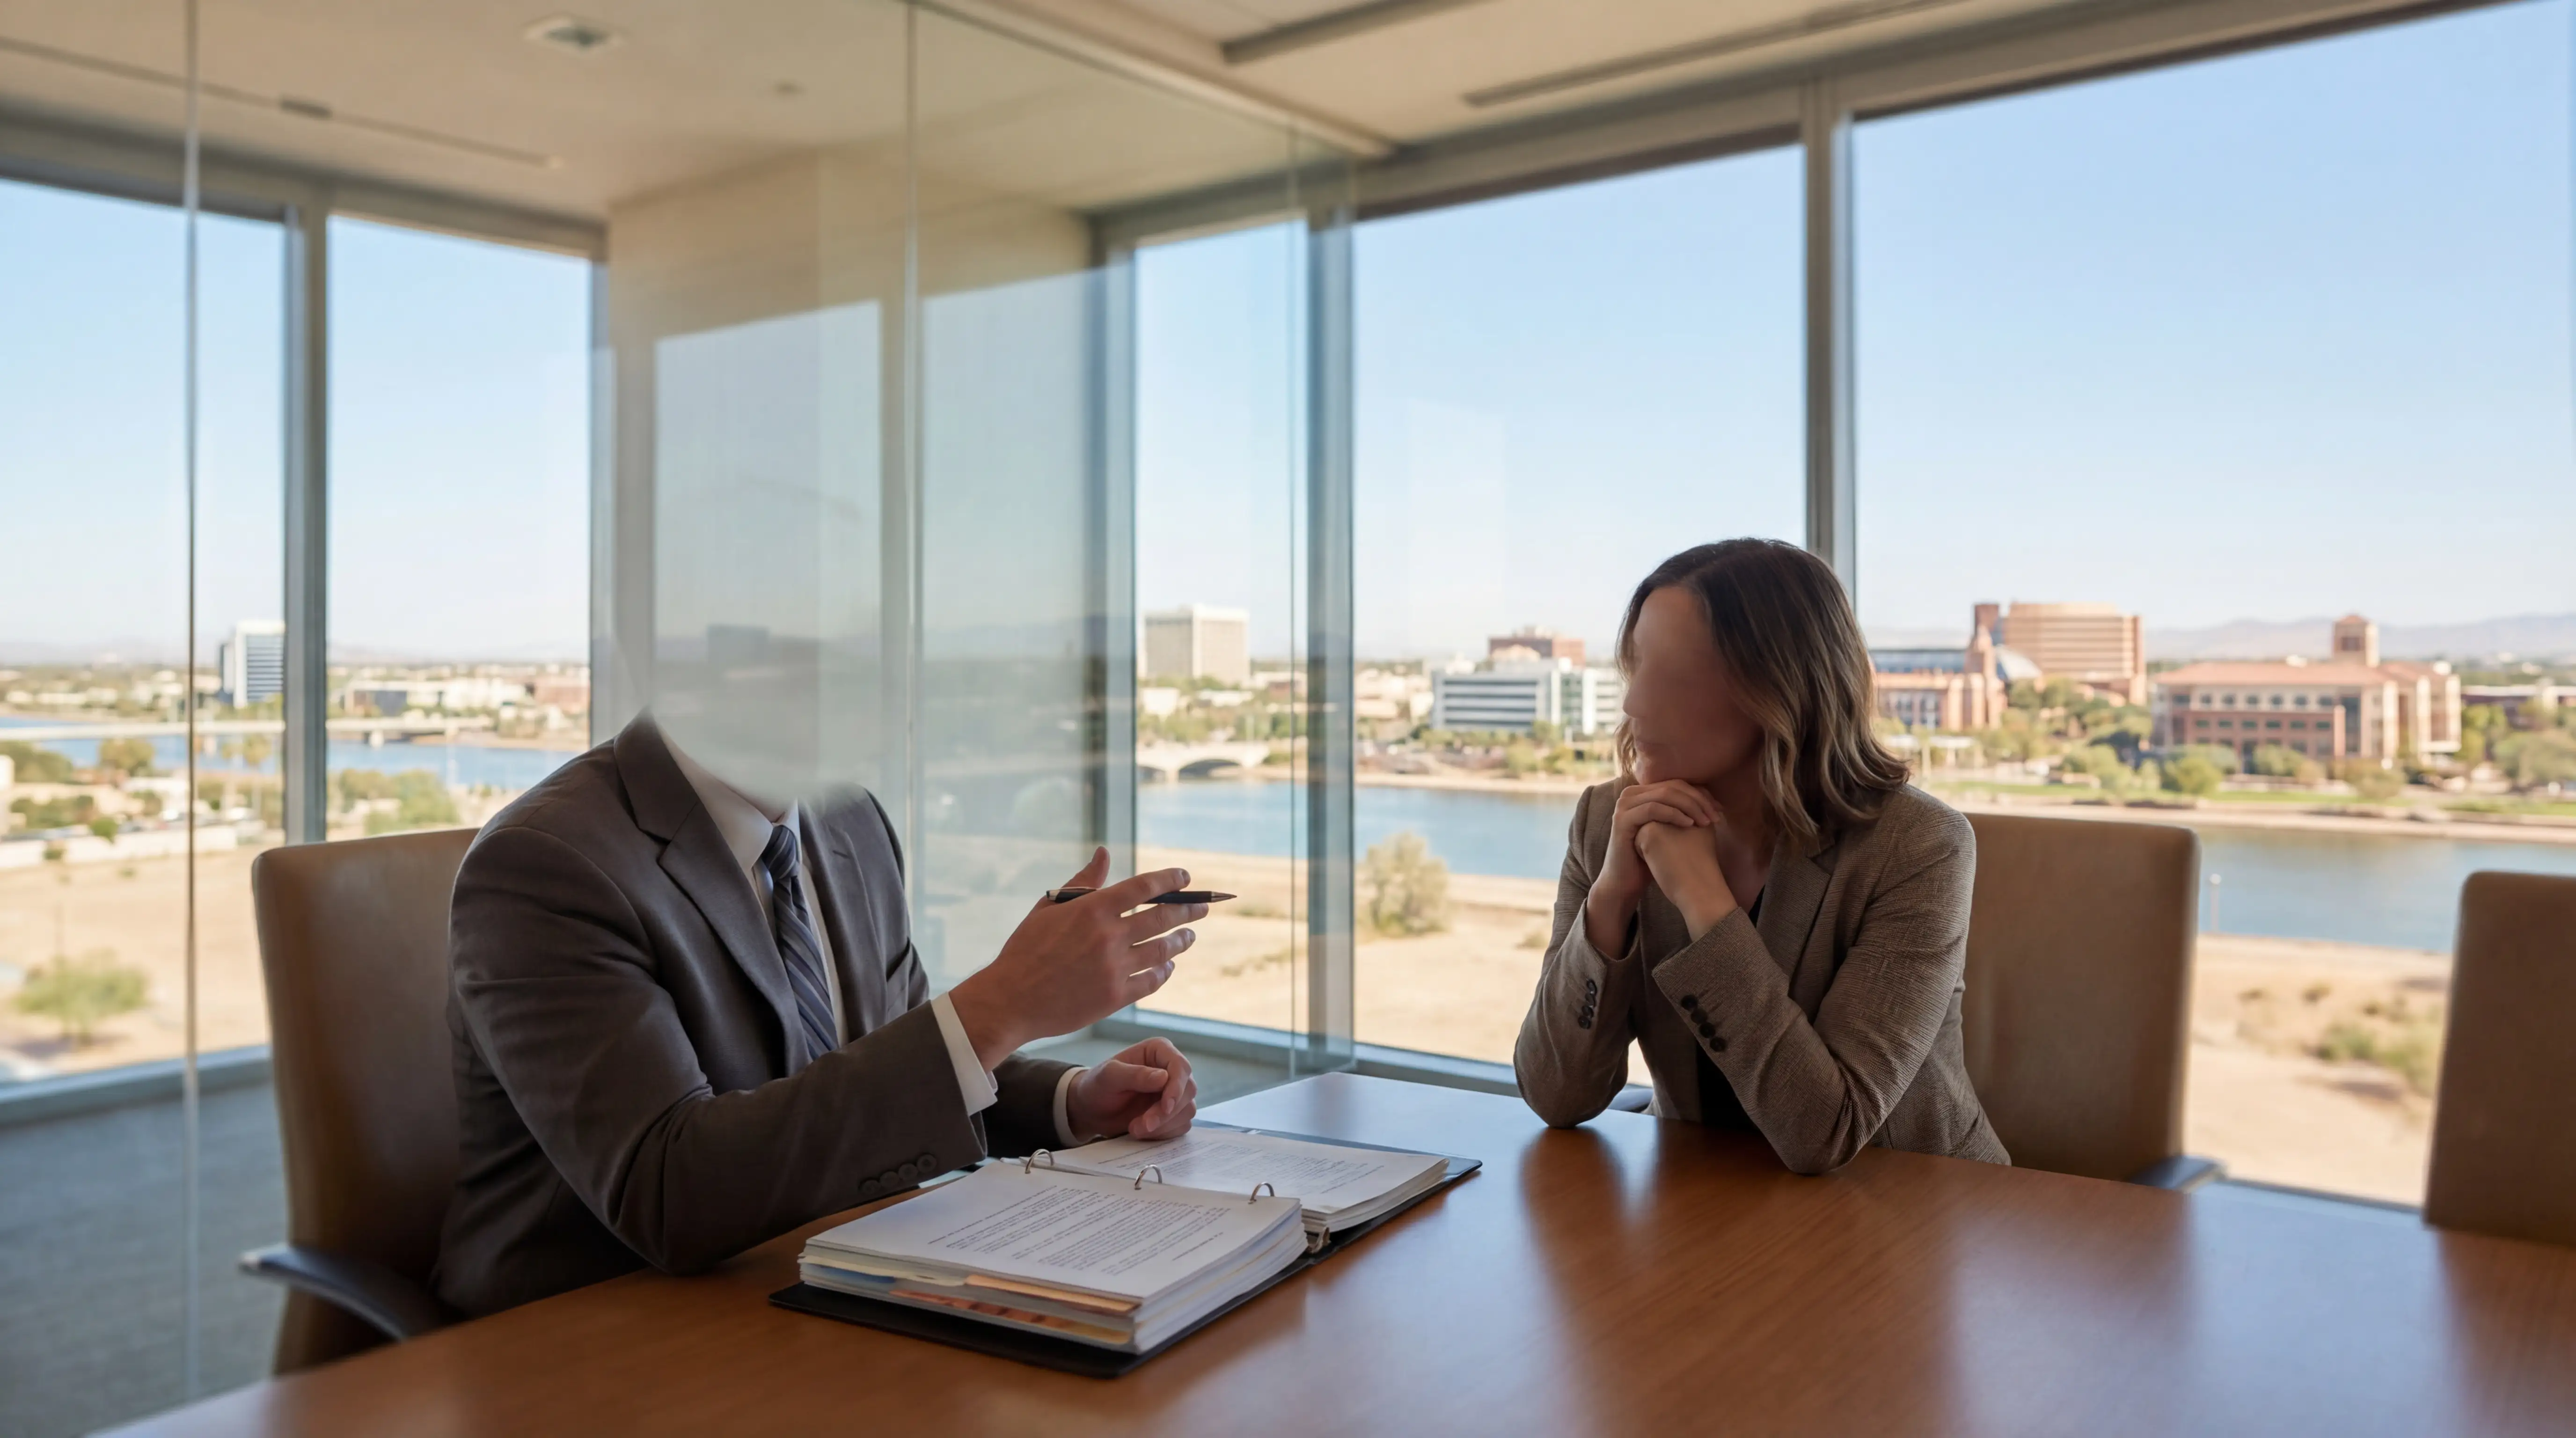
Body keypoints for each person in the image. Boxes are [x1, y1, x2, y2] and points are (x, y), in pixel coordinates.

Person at [434, 713, 1205, 1316]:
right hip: (591, 1333)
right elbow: (668, 1192)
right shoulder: (546, 864)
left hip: (825, 1282)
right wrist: (999, 1004)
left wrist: (1072, 1102)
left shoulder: (849, 820)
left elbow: (891, 1070)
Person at [1514, 539, 2008, 1173]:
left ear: (1778, 689)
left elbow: (1824, 1133)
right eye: (1636, 670)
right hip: (1708, 1205)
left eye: (1673, 675)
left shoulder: (1918, 847)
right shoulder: (1606, 823)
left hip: (1911, 1205)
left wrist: (1703, 901)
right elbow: (1555, 1096)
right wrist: (1611, 901)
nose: (1635, 705)